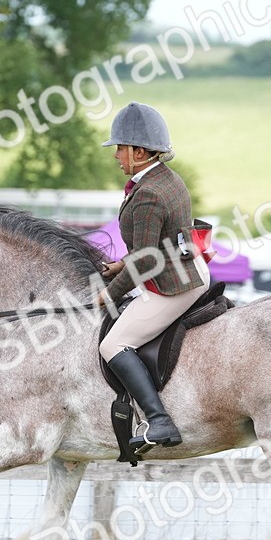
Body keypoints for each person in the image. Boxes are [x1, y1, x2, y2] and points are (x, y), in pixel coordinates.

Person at [95, 102, 210, 451]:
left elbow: (145, 263)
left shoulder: (148, 194)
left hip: (172, 285)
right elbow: (157, 244)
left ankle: (159, 421)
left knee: (112, 343)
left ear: (139, 152)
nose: (116, 155)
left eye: (120, 148)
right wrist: (118, 265)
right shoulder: (165, 179)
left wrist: (108, 295)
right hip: (188, 266)